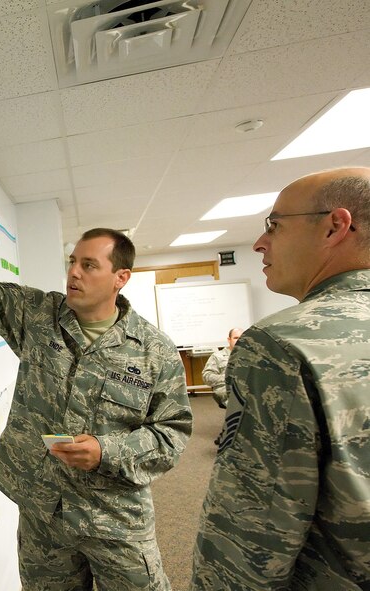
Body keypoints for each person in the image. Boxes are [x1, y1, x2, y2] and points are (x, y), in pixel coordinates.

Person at [0, 187, 192, 591]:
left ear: (121, 277)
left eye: (88, 265)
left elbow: (172, 434)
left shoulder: (155, 351)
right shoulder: (38, 315)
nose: (74, 273)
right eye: (72, 262)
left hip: (114, 517)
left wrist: (106, 451)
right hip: (43, 510)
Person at [192, 167, 370, 589]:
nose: (259, 243)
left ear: (335, 227)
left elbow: (253, 530)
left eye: (274, 225)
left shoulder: (282, 346)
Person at [201, 327, 243, 409]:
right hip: (226, 388)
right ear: (229, 339)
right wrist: (227, 378)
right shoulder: (217, 356)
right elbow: (206, 376)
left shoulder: (251, 356)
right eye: (236, 338)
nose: (239, 341)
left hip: (246, 387)